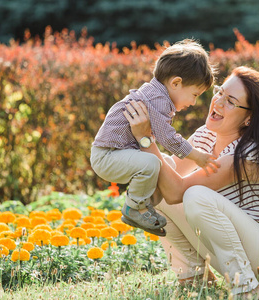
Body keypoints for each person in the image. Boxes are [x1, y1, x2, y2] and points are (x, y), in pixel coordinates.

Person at [123, 66, 259, 296]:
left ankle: (246, 288)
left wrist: (146, 139)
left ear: (249, 117)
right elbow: (169, 176)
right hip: (232, 246)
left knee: (194, 195)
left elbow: (177, 192)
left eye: (231, 101)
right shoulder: (206, 134)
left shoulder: (248, 154)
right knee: (154, 176)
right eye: (220, 92)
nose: (218, 102)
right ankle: (193, 276)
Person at [90, 39, 219, 236]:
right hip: (107, 156)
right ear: (176, 83)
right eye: (194, 94)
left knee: (167, 164)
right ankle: (135, 208)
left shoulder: (156, 95)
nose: (193, 102)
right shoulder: (158, 100)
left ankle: (144, 207)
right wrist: (196, 156)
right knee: (152, 162)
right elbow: (169, 138)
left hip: (118, 154)